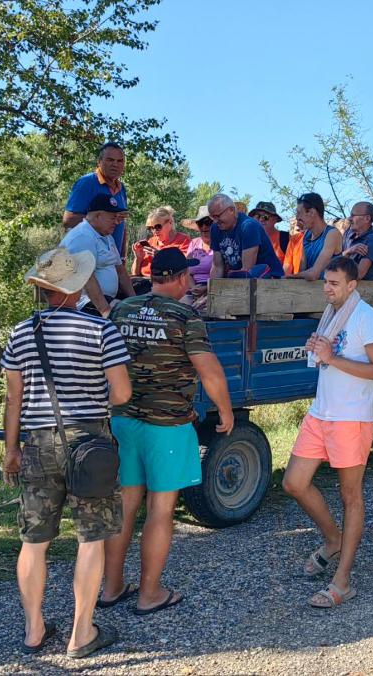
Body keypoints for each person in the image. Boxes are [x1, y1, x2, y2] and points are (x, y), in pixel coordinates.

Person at [0, 248, 132, 658]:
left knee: (33, 540)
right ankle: (81, 633)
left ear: (42, 289)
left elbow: (13, 398)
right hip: (88, 444)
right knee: (91, 538)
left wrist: (11, 449)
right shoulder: (101, 330)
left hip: (38, 444)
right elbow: (122, 393)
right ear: (75, 289)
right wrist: (93, 402)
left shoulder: (20, 333)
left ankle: (34, 630)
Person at [100, 248, 235, 616]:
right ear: (179, 278)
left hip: (123, 421)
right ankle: (149, 594)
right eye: (187, 276)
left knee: (125, 505)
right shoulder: (185, 316)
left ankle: (111, 587)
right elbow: (209, 371)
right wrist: (225, 411)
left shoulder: (122, 310)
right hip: (167, 426)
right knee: (160, 510)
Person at [282, 256, 373, 608]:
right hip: (322, 411)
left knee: (350, 496)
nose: (327, 288)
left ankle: (342, 582)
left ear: (352, 285)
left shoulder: (366, 317)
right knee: (293, 483)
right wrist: (320, 351)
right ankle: (333, 539)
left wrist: (330, 356)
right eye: (325, 282)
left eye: (334, 283)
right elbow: (328, 356)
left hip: (351, 417)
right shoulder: (331, 313)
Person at [61, 194, 135, 317]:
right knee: (127, 316)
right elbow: (87, 279)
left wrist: (135, 300)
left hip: (106, 298)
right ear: (97, 216)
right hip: (84, 303)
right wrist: (106, 311)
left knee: (143, 302)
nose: (116, 222)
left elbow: (120, 271)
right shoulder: (82, 237)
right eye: (112, 218)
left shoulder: (106, 236)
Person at [64, 143, 130, 259]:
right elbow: (69, 220)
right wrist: (101, 220)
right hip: (88, 258)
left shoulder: (121, 188)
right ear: (99, 162)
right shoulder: (87, 182)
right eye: (110, 160)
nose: (115, 164)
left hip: (112, 261)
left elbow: (122, 225)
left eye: (120, 161)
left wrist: (122, 258)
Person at [207, 193, 284, 279]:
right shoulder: (215, 229)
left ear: (231, 210)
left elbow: (247, 270)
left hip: (271, 280)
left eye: (217, 216)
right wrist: (211, 285)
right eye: (212, 217)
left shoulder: (249, 226)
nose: (215, 221)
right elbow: (217, 267)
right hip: (245, 279)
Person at [289, 192, 344, 280]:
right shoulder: (306, 236)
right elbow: (302, 270)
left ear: (311, 212)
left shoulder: (332, 234)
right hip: (311, 288)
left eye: (299, 213)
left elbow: (313, 274)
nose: (297, 218)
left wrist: (290, 276)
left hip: (329, 287)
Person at [131, 207, 191, 280]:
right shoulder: (151, 241)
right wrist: (138, 258)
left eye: (158, 227)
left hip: (168, 282)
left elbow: (183, 268)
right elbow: (135, 274)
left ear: (170, 223)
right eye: (151, 228)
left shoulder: (183, 240)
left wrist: (161, 257)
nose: (154, 231)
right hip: (144, 281)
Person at [341, 201, 373, 280]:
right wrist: (348, 251)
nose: (349, 218)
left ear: (367, 218)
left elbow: (359, 274)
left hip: (361, 288)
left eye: (353, 215)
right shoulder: (347, 234)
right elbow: (333, 264)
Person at [180, 205, 214, 309]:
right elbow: (187, 271)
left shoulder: (222, 244)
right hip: (193, 287)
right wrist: (193, 287)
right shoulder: (194, 243)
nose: (204, 227)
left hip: (215, 289)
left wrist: (207, 288)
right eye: (200, 223)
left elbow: (224, 272)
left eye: (208, 222)